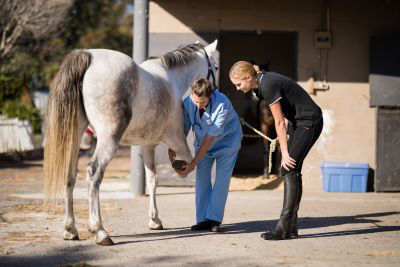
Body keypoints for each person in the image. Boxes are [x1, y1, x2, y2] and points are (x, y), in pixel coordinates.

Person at [229, 61, 323, 240]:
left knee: (288, 167)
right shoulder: (259, 87)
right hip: (297, 121)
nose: (237, 88)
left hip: (309, 121)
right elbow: (286, 116)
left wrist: (285, 153)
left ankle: (283, 227)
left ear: (249, 77)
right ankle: (291, 227)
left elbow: (278, 121)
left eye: (238, 84)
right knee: (293, 170)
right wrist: (287, 141)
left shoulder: (268, 84)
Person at [169, 78, 243, 232]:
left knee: (222, 180)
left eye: (202, 102)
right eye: (196, 101)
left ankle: (214, 219)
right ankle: (202, 220)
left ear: (211, 95)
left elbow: (209, 140)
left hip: (227, 143)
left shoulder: (222, 104)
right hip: (203, 144)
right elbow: (185, 127)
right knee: (202, 179)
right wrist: (173, 147)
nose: (198, 105)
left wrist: (191, 166)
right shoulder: (188, 102)